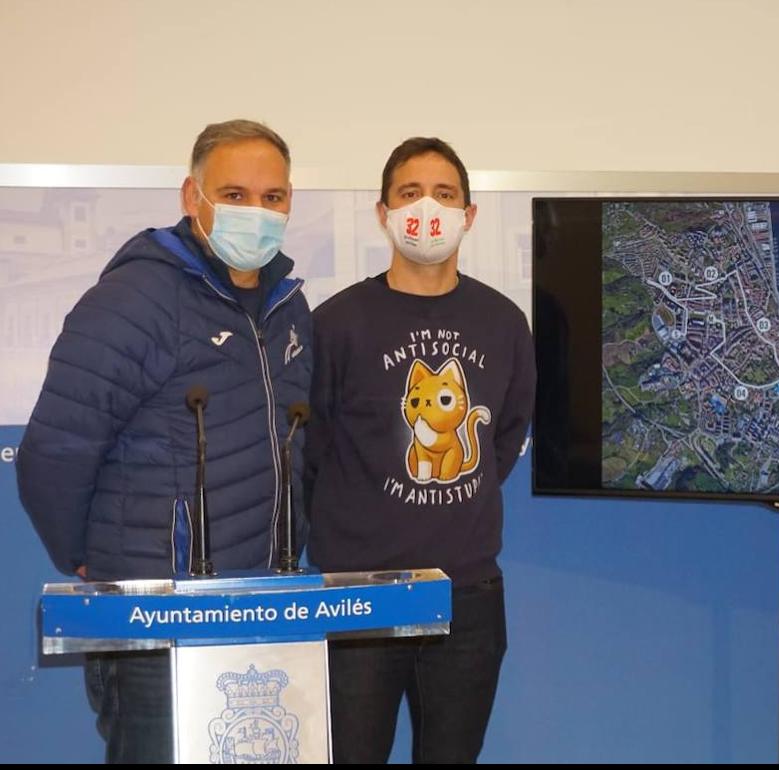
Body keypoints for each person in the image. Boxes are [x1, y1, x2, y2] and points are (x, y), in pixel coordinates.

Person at [17, 119, 312, 763]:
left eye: (273, 198)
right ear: (191, 196)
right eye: (233, 195)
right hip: (156, 619)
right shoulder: (137, 297)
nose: (255, 213)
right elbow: (55, 450)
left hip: (259, 607)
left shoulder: (289, 305)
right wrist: (89, 560)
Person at [305, 137, 535, 763]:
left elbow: (505, 436)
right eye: (409, 194)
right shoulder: (337, 323)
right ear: (383, 213)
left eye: (444, 194)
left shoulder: (504, 322)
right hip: (358, 593)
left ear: (470, 213)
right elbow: (312, 445)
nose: (426, 208)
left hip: (466, 597)